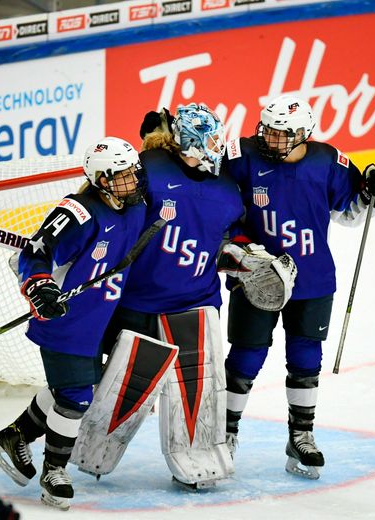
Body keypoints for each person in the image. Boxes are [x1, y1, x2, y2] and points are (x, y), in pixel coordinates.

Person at [75, 103, 293, 490]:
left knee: (199, 382)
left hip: (195, 298)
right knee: (128, 382)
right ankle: (93, 449)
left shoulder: (227, 189)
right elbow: (106, 209)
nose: (217, 145)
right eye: (208, 139)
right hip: (138, 299)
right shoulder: (149, 171)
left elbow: (226, 238)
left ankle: (199, 455)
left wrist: (246, 259)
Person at [222, 94, 375, 479]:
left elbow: (353, 214)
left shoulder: (328, 162)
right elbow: (222, 212)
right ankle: (225, 433)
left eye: (280, 133)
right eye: (265, 129)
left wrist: (374, 193)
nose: (268, 138)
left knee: (305, 360)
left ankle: (301, 435)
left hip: (313, 279)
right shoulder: (241, 158)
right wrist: (242, 252)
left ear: (303, 134)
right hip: (255, 277)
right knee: (246, 356)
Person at [0, 136, 148, 510]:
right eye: (121, 175)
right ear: (101, 179)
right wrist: (39, 285)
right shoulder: (77, 212)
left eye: (132, 172)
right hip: (64, 319)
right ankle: (54, 471)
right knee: (77, 397)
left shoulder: (134, 205)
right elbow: (35, 251)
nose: (132, 180)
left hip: (100, 318)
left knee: (73, 387)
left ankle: (15, 435)